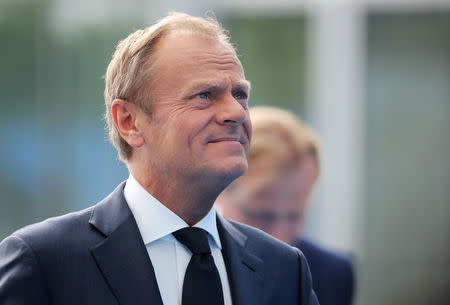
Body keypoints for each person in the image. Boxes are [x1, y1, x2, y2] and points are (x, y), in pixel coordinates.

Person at [0, 13, 318, 305]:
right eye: (204, 95)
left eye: (240, 94)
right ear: (129, 122)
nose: (236, 112)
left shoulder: (285, 270)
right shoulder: (44, 262)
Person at [217, 106, 354, 305]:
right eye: (262, 215)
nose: (280, 237)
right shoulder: (189, 264)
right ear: (217, 191)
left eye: (294, 216)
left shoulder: (332, 275)